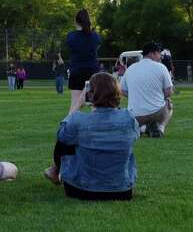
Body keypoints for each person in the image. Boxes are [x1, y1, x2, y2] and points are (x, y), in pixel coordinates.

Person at [43, 72, 137, 201]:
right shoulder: (128, 118)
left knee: (65, 140)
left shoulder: (78, 120)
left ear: (90, 94)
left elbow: (62, 136)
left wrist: (77, 105)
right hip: (122, 190)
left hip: (81, 190)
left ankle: (56, 172)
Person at [120, 42, 173, 137]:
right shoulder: (161, 67)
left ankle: (142, 128)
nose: (160, 56)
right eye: (159, 52)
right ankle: (160, 129)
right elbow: (169, 91)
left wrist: (134, 97)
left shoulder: (131, 68)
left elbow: (122, 90)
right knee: (169, 103)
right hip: (156, 112)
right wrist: (161, 98)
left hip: (136, 115)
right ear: (152, 53)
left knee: (143, 114)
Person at [65, 10, 102, 115]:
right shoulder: (95, 36)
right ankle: (96, 128)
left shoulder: (71, 36)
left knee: (75, 102)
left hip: (76, 71)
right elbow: (96, 48)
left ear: (76, 21)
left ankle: (69, 123)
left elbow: (72, 48)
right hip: (93, 72)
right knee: (93, 104)